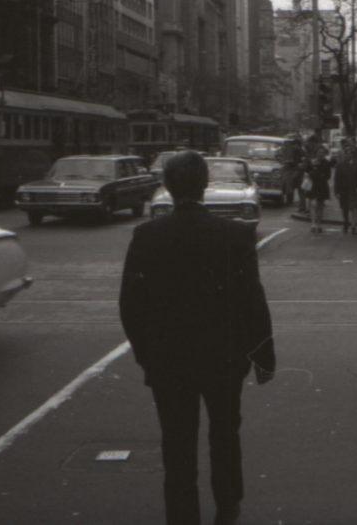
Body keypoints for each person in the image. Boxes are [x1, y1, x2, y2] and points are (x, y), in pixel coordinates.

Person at [120, 150, 275, 525]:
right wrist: (263, 356)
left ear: (168, 187)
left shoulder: (146, 235)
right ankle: (227, 505)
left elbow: (130, 304)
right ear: (205, 185)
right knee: (224, 434)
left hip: (169, 360)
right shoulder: (236, 235)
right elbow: (252, 300)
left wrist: (147, 355)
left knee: (177, 443)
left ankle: (182, 515)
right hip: (223, 357)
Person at [333, 140, 357, 234]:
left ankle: (354, 226)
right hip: (344, 189)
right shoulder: (340, 165)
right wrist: (336, 191)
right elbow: (336, 179)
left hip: (354, 189)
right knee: (345, 208)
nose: (348, 154)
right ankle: (346, 222)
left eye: (350, 152)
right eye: (346, 152)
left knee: (355, 208)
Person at [305, 147, 333, 234]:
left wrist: (321, 175)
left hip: (322, 186)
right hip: (313, 185)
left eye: (322, 153)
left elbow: (328, 176)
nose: (321, 154)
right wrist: (314, 170)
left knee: (320, 206)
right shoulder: (312, 162)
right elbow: (307, 172)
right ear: (316, 153)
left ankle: (319, 224)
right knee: (313, 204)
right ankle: (313, 224)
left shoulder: (326, 163)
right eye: (319, 152)